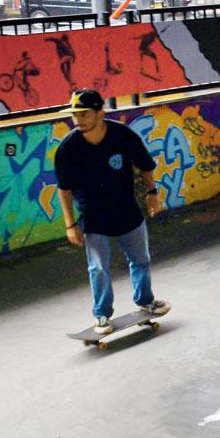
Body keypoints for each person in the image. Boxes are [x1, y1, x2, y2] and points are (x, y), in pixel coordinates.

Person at [55, 89, 170, 334]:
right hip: (94, 217)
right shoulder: (68, 148)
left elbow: (145, 164)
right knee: (98, 268)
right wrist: (70, 224)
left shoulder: (122, 135)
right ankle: (102, 315)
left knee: (140, 260)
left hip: (127, 210)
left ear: (100, 112)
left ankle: (146, 300)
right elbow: (63, 189)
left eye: (84, 114)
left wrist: (152, 193)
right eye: (75, 115)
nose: (78, 120)